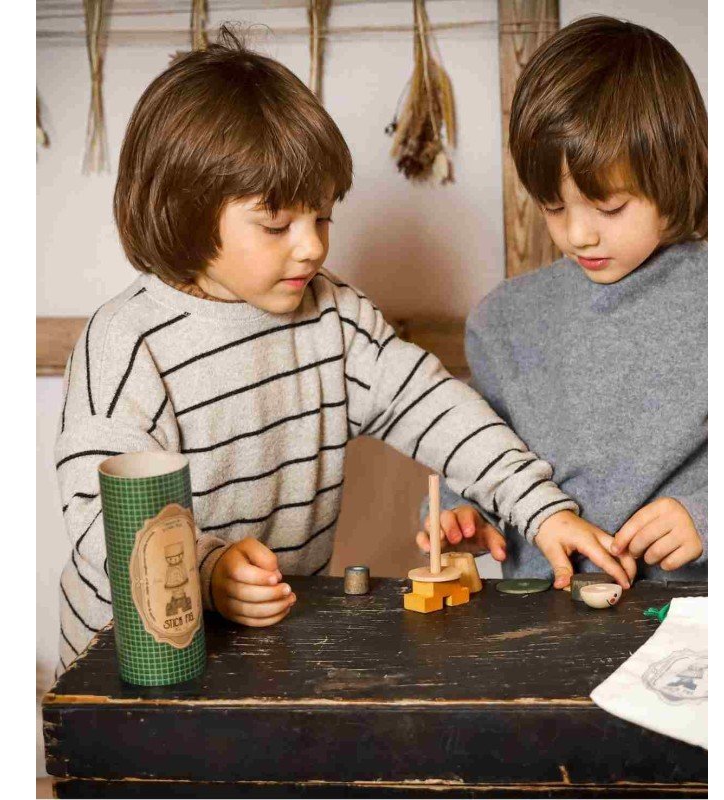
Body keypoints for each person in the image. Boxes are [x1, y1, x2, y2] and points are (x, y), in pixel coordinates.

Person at [55, 27, 636, 674]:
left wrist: (542, 510)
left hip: (261, 643)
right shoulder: (127, 345)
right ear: (185, 212)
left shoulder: (334, 318)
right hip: (120, 660)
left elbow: (438, 410)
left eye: (323, 217)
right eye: (276, 225)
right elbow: (99, 522)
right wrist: (208, 570)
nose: (311, 246)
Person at [417, 15, 707, 588]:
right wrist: (459, 516)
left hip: (691, 632)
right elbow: (475, 455)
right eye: (554, 206)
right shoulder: (503, 321)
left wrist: (709, 515)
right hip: (539, 623)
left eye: (610, 207)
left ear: (674, 173)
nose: (579, 234)